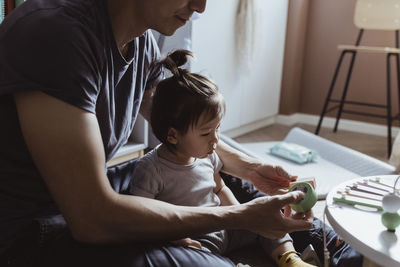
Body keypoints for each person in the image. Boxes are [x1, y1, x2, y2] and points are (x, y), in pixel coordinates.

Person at [0, 0, 362, 266]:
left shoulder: (140, 41)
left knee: (209, 171)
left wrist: (251, 169)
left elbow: (188, 130)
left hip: (86, 195)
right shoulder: (55, 35)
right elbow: (92, 218)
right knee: (188, 246)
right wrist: (240, 217)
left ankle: (341, 253)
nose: (201, 6)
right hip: (35, 231)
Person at [129, 49, 318, 267]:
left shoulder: (207, 157)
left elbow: (219, 189)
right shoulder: (150, 169)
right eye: (205, 133)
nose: (215, 140)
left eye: (217, 129)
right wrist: (174, 239)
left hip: (226, 226)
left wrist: (243, 215)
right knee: (192, 257)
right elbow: (144, 218)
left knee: (266, 220)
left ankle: (290, 259)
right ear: (172, 135)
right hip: (195, 239)